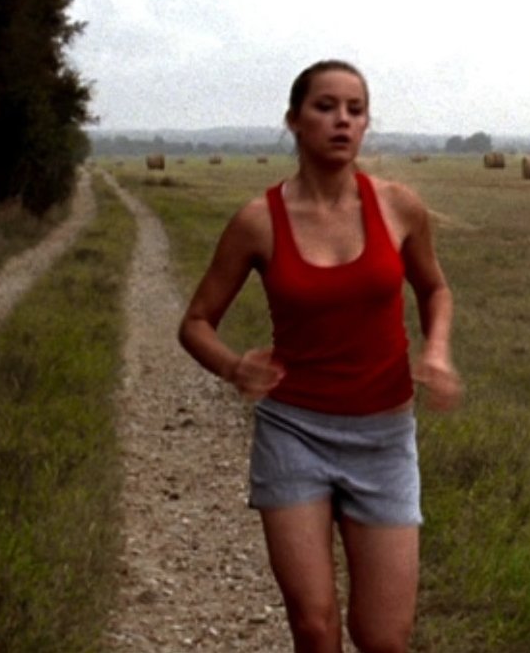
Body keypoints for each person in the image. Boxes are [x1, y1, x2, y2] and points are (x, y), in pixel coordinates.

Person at [177, 59, 461, 653]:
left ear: (366, 124)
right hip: (294, 433)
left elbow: (434, 288)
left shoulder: (399, 207)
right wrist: (233, 367)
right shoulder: (257, 222)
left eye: (355, 110)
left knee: (384, 637)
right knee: (314, 626)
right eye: (325, 107)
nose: (342, 120)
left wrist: (436, 351)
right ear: (294, 120)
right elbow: (196, 323)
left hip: (384, 438)